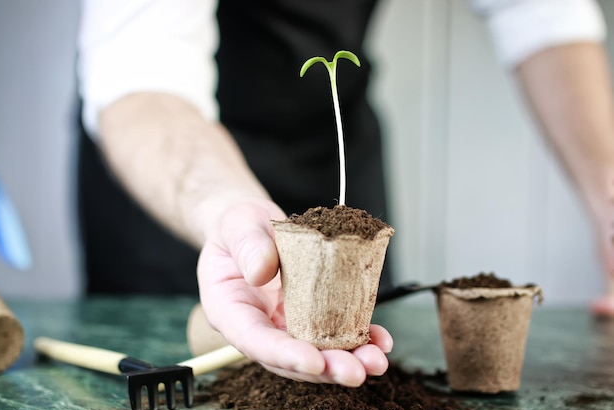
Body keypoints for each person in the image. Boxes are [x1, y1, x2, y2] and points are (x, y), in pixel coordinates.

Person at [76, 0, 614, 387]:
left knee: (356, 366)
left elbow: (541, 12)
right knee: (197, 354)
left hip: (333, 145)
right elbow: (141, 69)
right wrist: (230, 213)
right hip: (180, 168)